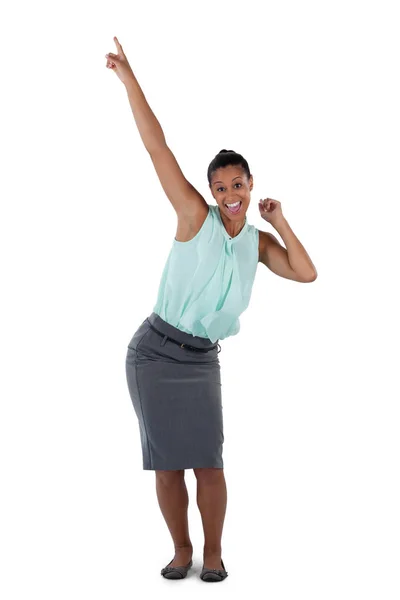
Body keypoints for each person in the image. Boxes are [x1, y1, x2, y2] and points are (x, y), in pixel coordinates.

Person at [105, 37, 318, 583]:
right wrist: (130, 80)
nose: (229, 193)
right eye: (220, 186)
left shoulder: (258, 244)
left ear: (250, 187)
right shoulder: (193, 217)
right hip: (153, 353)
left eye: (238, 185)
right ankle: (181, 551)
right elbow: (159, 149)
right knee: (168, 463)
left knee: (211, 462)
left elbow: (306, 272)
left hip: (201, 360)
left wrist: (280, 220)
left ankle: (215, 553)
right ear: (208, 190)